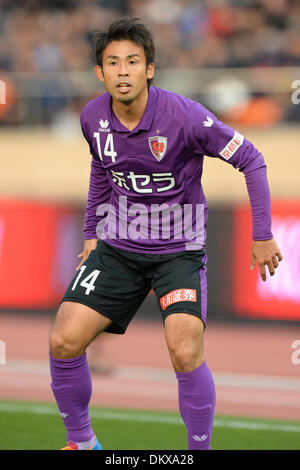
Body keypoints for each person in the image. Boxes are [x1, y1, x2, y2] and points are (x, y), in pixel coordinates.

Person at [49, 17, 283, 451]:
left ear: (149, 69)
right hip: (117, 248)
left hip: (179, 252)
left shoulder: (187, 117)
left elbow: (251, 158)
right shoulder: (92, 117)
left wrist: (263, 233)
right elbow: (102, 169)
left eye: (132, 62)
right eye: (112, 63)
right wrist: (89, 235)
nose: (122, 71)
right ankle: (82, 442)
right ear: (100, 73)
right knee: (64, 338)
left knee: (184, 349)